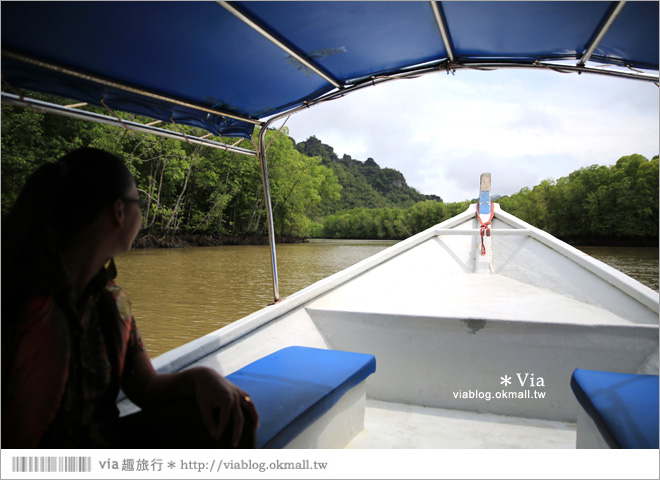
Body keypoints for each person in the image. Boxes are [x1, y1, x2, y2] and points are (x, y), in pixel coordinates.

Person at [1, 147, 258, 448]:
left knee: (232, 413)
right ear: (119, 212)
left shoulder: (110, 301)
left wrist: (201, 377)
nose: (142, 212)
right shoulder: (16, 300)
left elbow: (146, 387)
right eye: (140, 202)